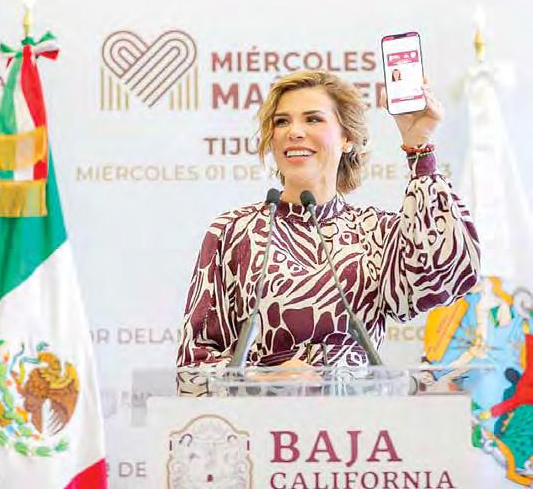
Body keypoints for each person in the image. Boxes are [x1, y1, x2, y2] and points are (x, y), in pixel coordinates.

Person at [177, 70, 480, 395]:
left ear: (347, 138)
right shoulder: (234, 233)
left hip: (360, 422)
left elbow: (448, 273)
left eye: (313, 119)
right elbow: (194, 365)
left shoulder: (375, 232)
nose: (294, 131)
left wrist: (419, 146)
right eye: (281, 122)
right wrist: (259, 380)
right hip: (265, 422)